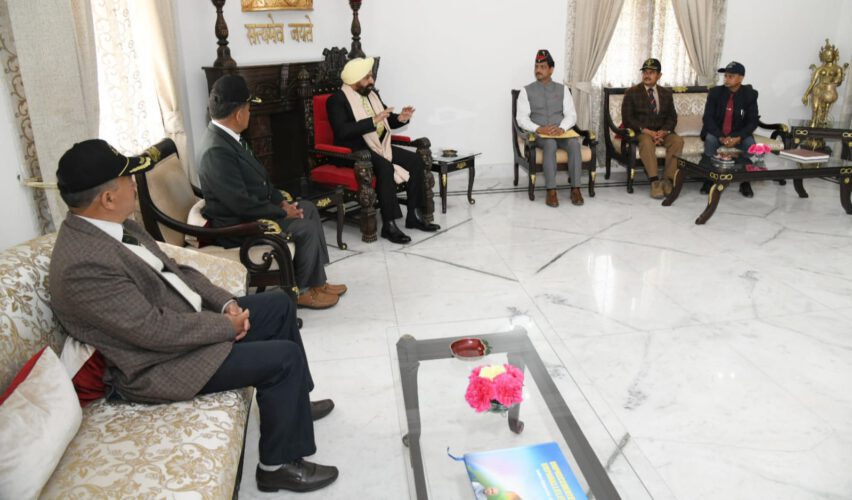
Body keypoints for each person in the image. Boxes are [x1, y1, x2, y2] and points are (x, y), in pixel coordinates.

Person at [48, 139, 339, 493]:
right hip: (155, 365)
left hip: (182, 325)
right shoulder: (82, 264)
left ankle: (296, 406)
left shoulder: (117, 226)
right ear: (107, 198)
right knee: (283, 359)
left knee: (279, 306)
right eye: (128, 180)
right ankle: (277, 466)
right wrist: (224, 327)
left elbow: (177, 270)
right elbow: (151, 331)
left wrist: (224, 304)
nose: (133, 187)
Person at [198, 75, 346, 309]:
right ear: (238, 114)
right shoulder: (216, 151)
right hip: (239, 226)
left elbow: (260, 180)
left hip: (253, 211)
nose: (250, 114)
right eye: (248, 109)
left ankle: (318, 282)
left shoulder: (229, 138)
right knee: (303, 227)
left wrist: (281, 203)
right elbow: (240, 204)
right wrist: (280, 213)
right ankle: (303, 291)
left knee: (307, 208)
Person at [326, 57, 440, 244]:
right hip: (354, 151)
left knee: (416, 161)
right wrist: (373, 121)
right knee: (385, 167)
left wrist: (401, 118)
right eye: (367, 77)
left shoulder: (372, 94)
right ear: (355, 80)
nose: (372, 81)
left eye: (371, 76)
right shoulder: (336, 100)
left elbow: (385, 119)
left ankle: (412, 215)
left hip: (379, 146)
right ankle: (389, 225)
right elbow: (342, 131)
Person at [515, 49, 584, 207]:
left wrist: (561, 128)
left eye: (543, 66)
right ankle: (551, 191)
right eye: (536, 66)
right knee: (550, 144)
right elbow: (521, 119)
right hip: (540, 135)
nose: (538, 70)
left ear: (551, 69)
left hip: (561, 132)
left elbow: (571, 115)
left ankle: (576, 189)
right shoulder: (526, 91)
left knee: (574, 143)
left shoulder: (563, 89)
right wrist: (539, 129)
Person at [621, 58, 684, 199]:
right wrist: (646, 131)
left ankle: (667, 180)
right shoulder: (631, 92)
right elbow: (627, 119)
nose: (647, 75)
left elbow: (672, 117)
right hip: (642, 132)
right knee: (646, 141)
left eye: (651, 72)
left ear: (659, 76)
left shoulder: (666, 93)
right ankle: (654, 181)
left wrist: (664, 131)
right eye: (645, 72)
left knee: (678, 141)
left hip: (662, 132)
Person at [701, 61, 759, 198]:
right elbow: (707, 118)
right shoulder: (715, 92)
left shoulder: (750, 95)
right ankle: (709, 179)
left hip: (739, 134)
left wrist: (738, 138)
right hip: (717, 133)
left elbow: (753, 121)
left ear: (741, 78)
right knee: (710, 140)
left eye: (730, 76)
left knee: (750, 145)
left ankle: (744, 181)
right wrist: (720, 137)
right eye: (725, 76)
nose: (726, 79)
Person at [802, 39, 848, 128]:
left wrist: (833, 80)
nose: (828, 57)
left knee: (825, 109)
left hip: (830, 92)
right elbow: (813, 83)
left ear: (834, 55)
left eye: (830, 55)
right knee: (815, 107)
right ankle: (814, 120)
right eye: (826, 55)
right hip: (819, 90)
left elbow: (838, 81)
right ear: (822, 57)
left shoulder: (838, 68)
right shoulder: (820, 69)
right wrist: (806, 94)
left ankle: (822, 119)